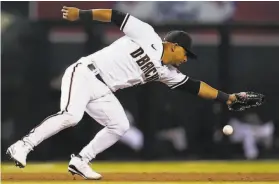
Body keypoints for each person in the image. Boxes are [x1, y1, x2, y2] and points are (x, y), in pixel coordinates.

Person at [7, 7, 237, 180]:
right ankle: (23, 145)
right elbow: (116, 15)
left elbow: (195, 86)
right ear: (174, 46)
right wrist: (82, 14)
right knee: (72, 116)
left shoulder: (167, 72)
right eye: (186, 54)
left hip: (103, 89)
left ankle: (80, 161)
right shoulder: (148, 35)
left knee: (120, 125)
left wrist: (228, 98)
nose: (187, 59)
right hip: (86, 73)